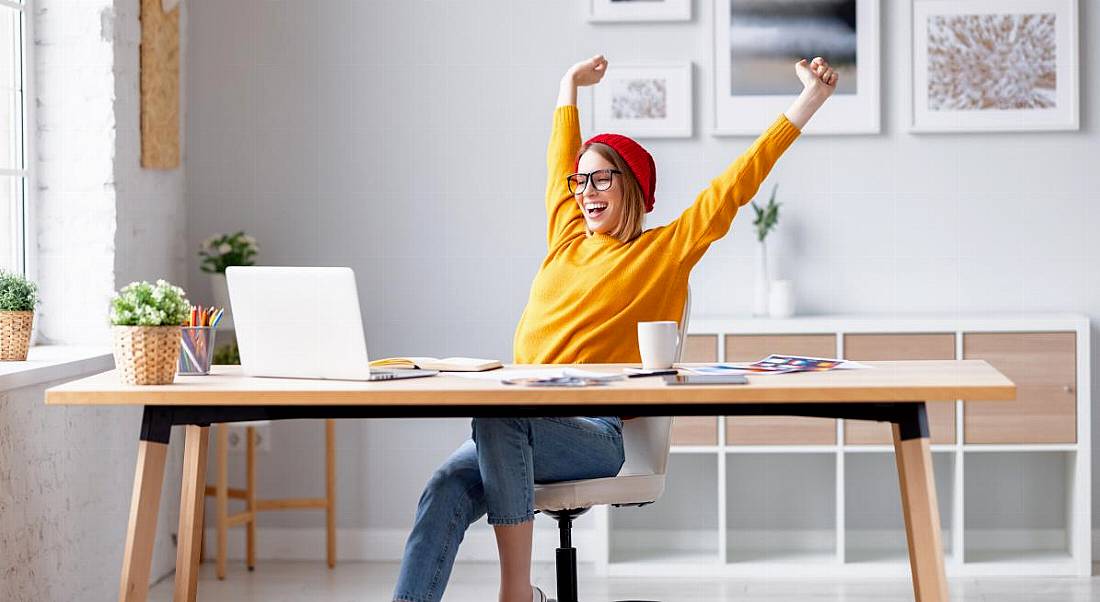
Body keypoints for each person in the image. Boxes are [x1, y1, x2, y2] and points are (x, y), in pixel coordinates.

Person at [393, 53, 838, 602]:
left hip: (590, 431)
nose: (584, 190)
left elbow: (737, 183)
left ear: (632, 186)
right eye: (581, 181)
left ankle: (515, 593)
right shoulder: (566, 234)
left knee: (496, 410)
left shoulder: (665, 251)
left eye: (601, 177)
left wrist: (808, 101)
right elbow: (560, 157)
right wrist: (568, 87)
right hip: (515, 421)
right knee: (444, 487)